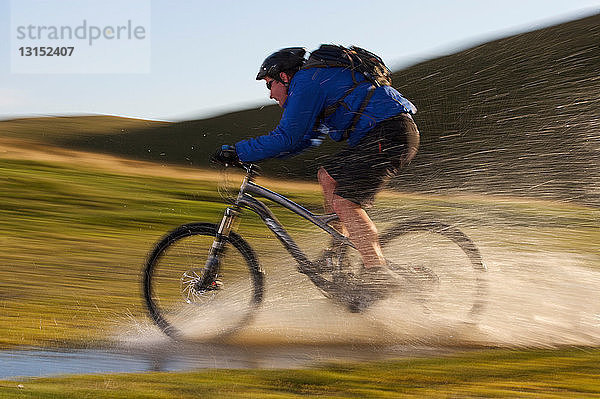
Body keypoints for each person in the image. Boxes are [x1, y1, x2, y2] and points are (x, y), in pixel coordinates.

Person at [212, 46, 420, 290]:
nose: (270, 94)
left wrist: (238, 151)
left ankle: (377, 272)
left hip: (389, 134)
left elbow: (287, 137)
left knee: (345, 203)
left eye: (270, 85)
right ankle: (337, 252)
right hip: (386, 133)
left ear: (284, 77)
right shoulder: (314, 81)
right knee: (327, 176)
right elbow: (302, 139)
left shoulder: (306, 82)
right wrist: (255, 155)